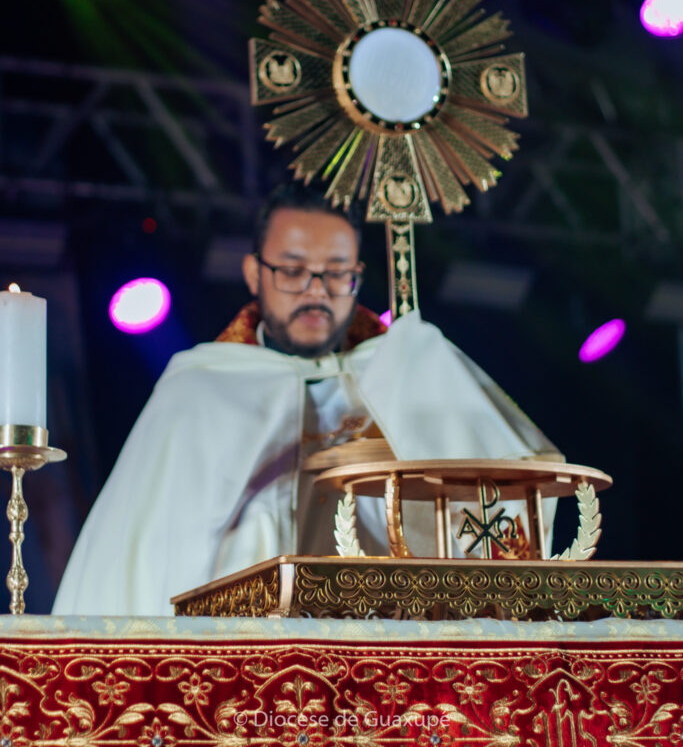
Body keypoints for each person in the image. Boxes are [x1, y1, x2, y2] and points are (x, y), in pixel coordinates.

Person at [53, 183, 562, 616]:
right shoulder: (202, 386)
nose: (315, 291)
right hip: (242, 668)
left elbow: (508, 512)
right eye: (293, 271)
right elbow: (139, 555)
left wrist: (425, 387)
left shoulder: (404, 371)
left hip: (388, 656)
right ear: (255, 273)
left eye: (336, 272)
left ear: (358, 275)